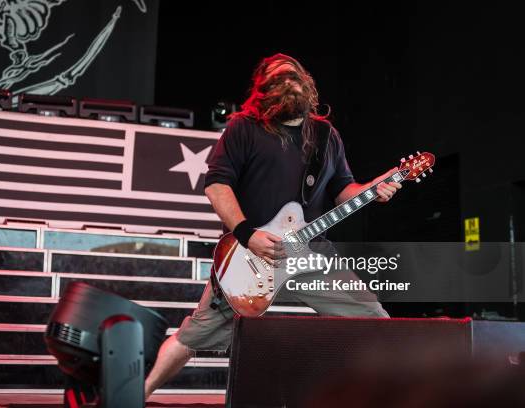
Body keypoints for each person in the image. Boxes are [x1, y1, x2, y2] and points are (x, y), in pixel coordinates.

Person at [144, 53, 401, 398]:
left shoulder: (326, 135)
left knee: (373, 319)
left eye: (293, 76)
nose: (287, 82)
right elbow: (217, 185)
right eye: (277, 79)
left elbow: (343, 191)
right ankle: (134, 395)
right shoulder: (243, 127)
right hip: (249, 256)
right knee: (194, 336)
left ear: (308, 85)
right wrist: (247, 235)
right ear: (263, 91)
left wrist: (374, 189)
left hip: (310, 252)